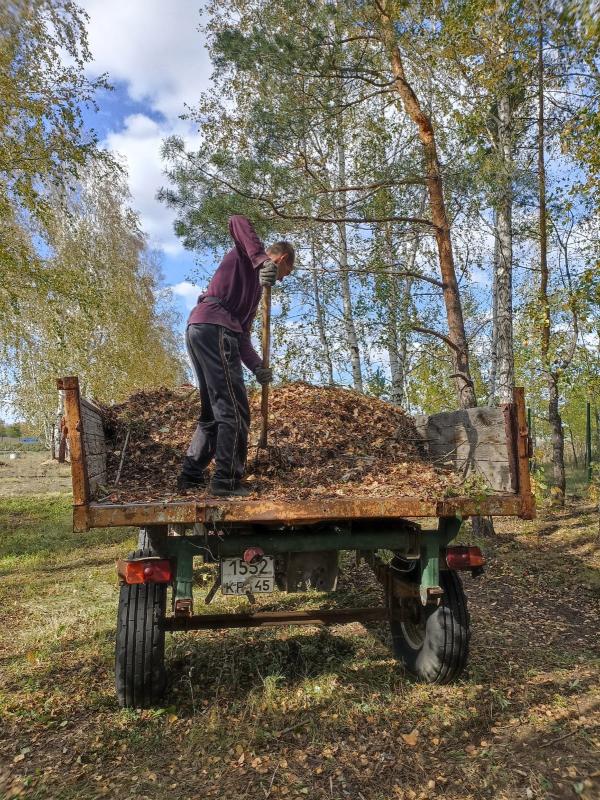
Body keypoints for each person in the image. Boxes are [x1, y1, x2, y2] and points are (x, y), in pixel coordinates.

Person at [178, 215, 295, 497]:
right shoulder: (247, 255)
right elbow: (236, 220)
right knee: (234, 410)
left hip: (204, 329)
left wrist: (257, 367)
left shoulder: (256, 292)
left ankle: (191, 476)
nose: (281, 279)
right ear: (280, 260)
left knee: (213, 412)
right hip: (214, 328)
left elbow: (242, 336)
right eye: (284, 273)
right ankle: (226, 481)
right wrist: (260, 260)